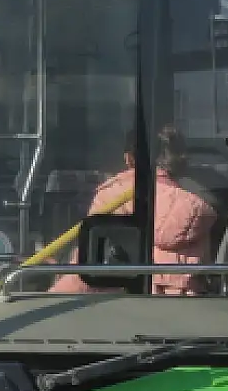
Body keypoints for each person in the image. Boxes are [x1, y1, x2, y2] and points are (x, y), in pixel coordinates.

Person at [60, 125, 217, 297]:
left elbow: (87, 269)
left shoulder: (111, 197)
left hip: (117, 310)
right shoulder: (198, 204)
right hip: (184, 308)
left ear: (128, 159)